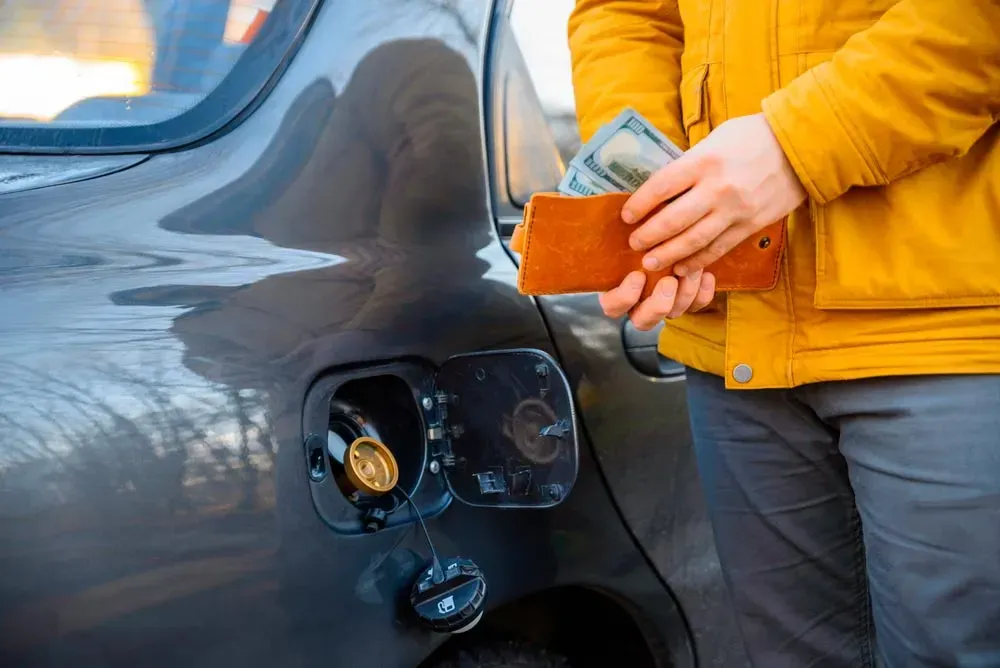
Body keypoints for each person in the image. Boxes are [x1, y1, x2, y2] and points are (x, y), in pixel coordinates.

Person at [567, 1, 1000, 666]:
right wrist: (655, 189)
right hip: (735, 339)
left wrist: (796, 143)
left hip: (948, 335)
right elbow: (624, 12)